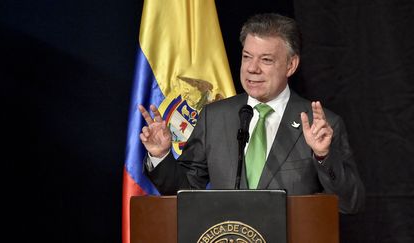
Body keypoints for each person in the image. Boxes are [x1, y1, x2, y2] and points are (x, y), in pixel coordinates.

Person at [139, 13, 365, 214]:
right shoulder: (215, 117)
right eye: (247, 56)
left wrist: (324, 157)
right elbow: (184, 192)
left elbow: (350, 202)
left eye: (266, 60)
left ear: (291, 65)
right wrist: (161, 156)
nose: (252, 68)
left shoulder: (321, 125)